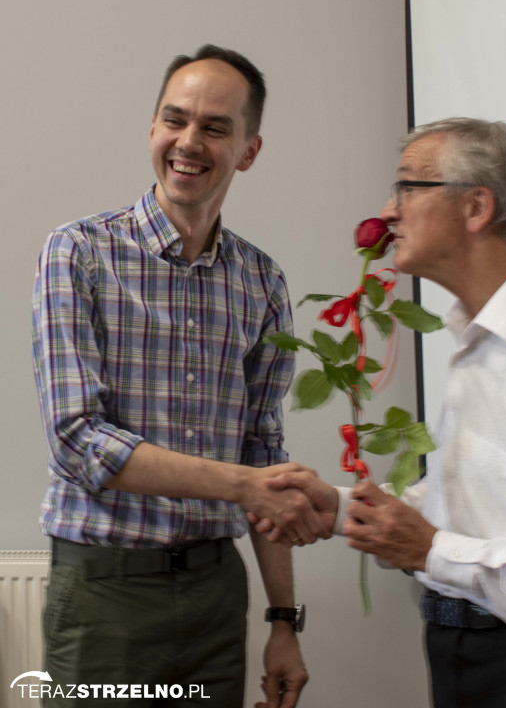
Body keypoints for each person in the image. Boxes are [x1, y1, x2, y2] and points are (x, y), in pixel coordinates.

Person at [257, 118, 506, 707]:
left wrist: (430, 550)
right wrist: (345, 510)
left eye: (407, 189)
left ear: (476, 205)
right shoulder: (481, 338)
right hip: (470, 654)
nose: (388, 212)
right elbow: (480, 510)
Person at [31, 44, 327, 708]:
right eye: (175, 119)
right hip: (105, 592)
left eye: (215, 127)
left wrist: (283, 621)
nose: (189, 141)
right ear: (152, 129)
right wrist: (248, 484)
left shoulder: (261, 280)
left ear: (248, 150)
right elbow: (80, 440)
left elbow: (262, 452)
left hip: (216, 593)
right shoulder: (78, 253)